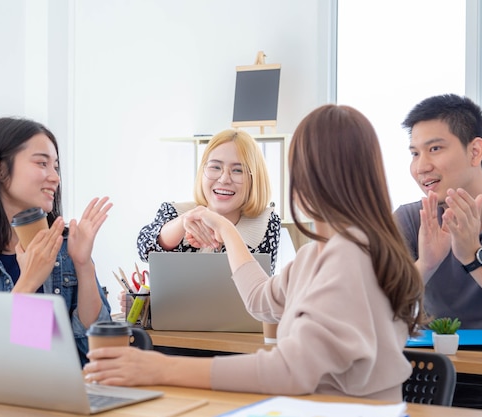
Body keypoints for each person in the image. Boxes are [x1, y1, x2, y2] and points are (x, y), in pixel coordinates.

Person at [84, 104, 425, 401]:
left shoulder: (349, 256)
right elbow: (262, 301)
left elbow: (290, 370)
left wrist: (161, 368)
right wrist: (228, 231)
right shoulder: (321, 256)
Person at [395, 93, 482, 411]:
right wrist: (427, 264)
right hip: (420, 385)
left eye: (434, 149)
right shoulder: (408, 220)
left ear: (475, 150)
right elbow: (375, 317)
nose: (422, 166)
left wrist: (474, 256)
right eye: (415, 153)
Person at [0, 117, 113, 366]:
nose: (55, 177)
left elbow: (97, 352)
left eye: (56, 166)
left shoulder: (67, 246)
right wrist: (29, 281)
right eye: (42, 163)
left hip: (73, 394)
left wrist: (83, 267)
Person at [136, 128, 281, 273]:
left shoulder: (266, 223)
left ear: (254, 178)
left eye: (238, 170)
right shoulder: (174, 212)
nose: (224, 179)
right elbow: (146, 249)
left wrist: (223, 228)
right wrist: (185, 219)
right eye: (215, 167)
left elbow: (259, 285)